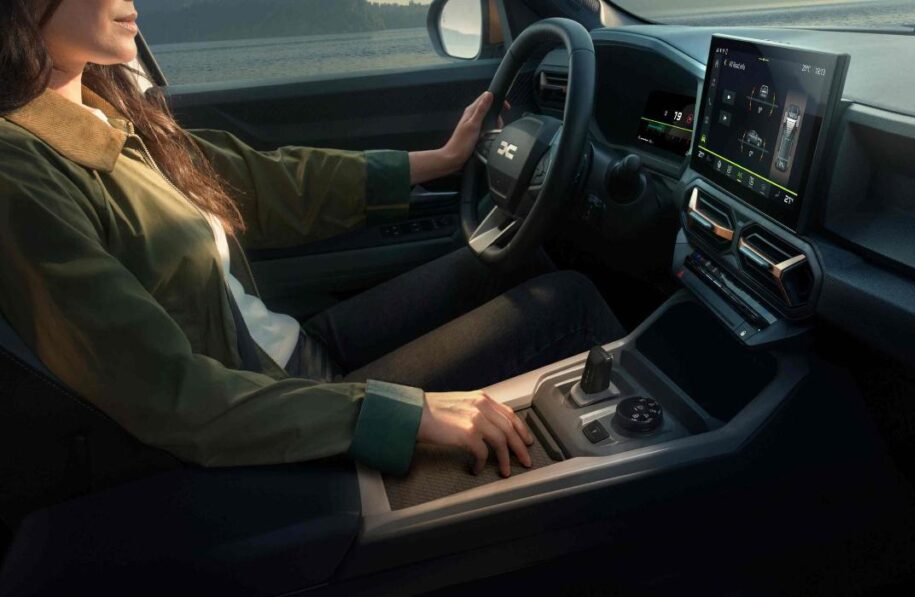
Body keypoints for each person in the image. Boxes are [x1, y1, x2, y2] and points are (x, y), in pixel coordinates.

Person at [0, 0, 624, 480]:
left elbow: (268, 182)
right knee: (564, 304)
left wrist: (438, 160)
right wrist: (405, 416)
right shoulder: (20, 170)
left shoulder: (108, 118)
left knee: (517, 265)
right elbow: (171, 397)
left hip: (293, 353)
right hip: (276, 401)